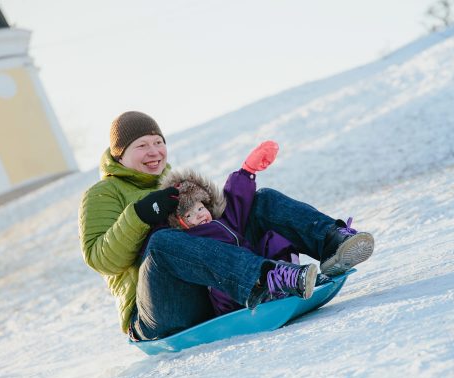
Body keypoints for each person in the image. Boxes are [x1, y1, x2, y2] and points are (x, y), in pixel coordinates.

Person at [79, 111, 374, 341]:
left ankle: (332, 242)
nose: (154, 151)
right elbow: (101, 259)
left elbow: (222, 225)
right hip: (158, 312)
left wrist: (245, 176)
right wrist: (139, 215)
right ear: (120, 154)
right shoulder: (103, 194)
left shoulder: (172, 181)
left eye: (158, 142)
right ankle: (265, 278)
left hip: (210, 293)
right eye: (142, 145)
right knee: (163, 243)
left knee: (260, 201)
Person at [159, 140, 318, 316]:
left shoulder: (223, 222)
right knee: (221, 278)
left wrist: (247, 170)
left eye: (200, 208)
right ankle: (269, 292)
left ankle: (292, 277)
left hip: (259, 272)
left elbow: (235, 200)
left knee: (272, 239)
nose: (199, 215)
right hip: (230, 293)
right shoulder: (190, 240)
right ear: (180, 222)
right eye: (189, 215)